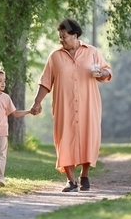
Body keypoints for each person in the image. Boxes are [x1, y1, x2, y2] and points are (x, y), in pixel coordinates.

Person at [30, 19, 112, 192]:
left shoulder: (92, 52)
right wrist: (37, 102)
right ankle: (71, 181)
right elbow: (45, 82)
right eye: (60, 37)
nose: (61, 40)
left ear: (75, 35)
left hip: (88, 106)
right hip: (64, 107)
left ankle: (85, 176)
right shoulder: (55, 57)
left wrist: (102, 73)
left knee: (88, 138)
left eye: (64, 36)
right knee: (64, 139)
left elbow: (106, 72)